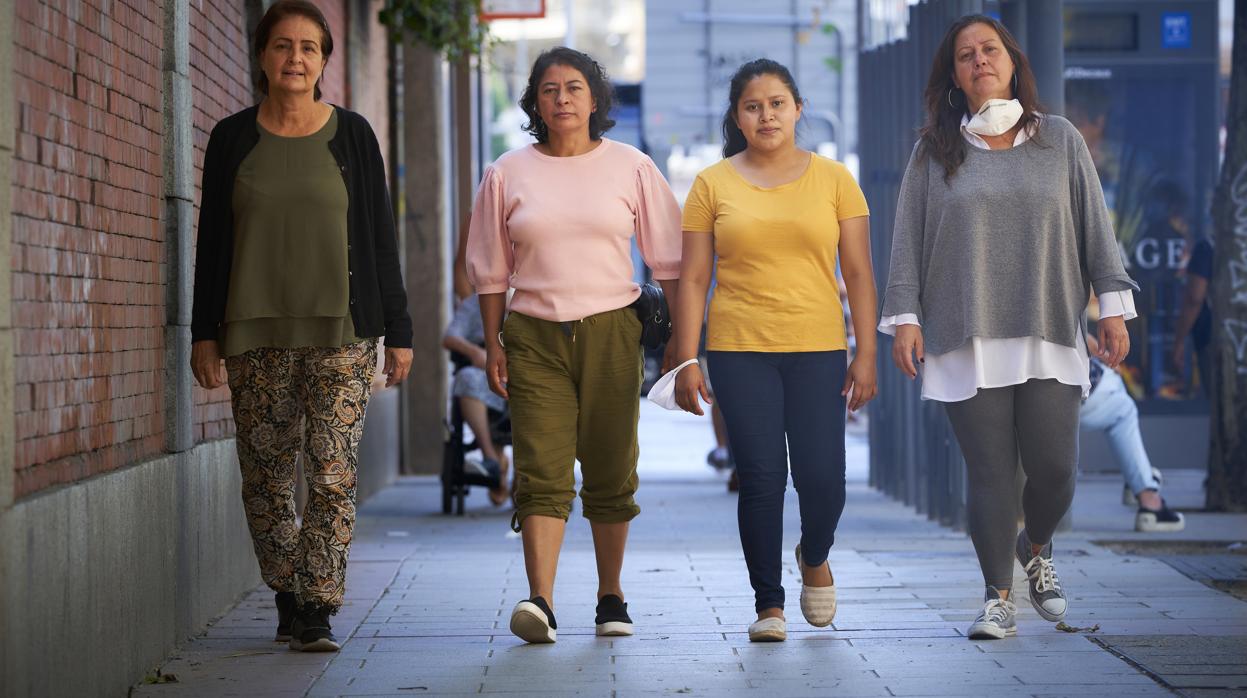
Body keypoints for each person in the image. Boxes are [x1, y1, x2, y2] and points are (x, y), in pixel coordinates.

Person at [879, 15, 1138, 641]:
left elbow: (1094, 228)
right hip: (964, 333)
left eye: (988, 49)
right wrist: (906, 321)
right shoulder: (934, 150)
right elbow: (907, 241)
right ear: (955, 77)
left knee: (1055, 469)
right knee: (991, 472)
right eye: (965, 56)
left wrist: (1112, 305)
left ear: (1012, 60)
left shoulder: (1061, 140)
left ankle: (1036, 545)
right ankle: (997, 597)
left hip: (1048, 325)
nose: (979, 61)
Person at [189, 0, 412, 653]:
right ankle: (286, 586)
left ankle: (316, 605)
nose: (295, 59)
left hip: (342, 332)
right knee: (264, 476)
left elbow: (378, 238)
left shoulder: (352, 136)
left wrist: (397, 330)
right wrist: (203, 332)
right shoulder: (232, 138)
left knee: (333, 473)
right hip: (252, 333)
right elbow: (211, 242)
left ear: (324, 61)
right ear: (262, 57)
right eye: (282, 46)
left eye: (309, 48)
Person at [467, 47, 683, 644]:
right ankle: (541, 599)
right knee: (541, 464)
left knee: (613, 465)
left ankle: (611, 596)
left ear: (595, 99)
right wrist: (493, 343)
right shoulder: (506, 172)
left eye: (574, 88)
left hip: (613, 329)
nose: (562, 99)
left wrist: (682, 346)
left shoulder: (632, 166)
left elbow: (670, 261)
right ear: (535, 102)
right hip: (532, 332)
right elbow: (489, 269)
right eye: (549, 90)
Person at [673, 59, 878, 643]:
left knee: (824, 480)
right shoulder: (713, 184)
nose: (766, 115)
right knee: (761, 477)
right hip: (739, 348)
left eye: (777, 103)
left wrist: (864, 354)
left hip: (818, 348)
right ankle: (769, 604)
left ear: (798, 109)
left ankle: (814, 553)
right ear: (736, 117)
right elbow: (692, 280)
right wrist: (688, 359)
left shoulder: (836, 179)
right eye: (753, 106)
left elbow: (860, 274)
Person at [1082, 335, 1185, 532]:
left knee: (1116, 395)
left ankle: (1139, 477)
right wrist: (1106, 356)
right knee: (1122, 407)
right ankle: (1148, 499)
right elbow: (1074, 328)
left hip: (1017, 389)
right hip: (1059, 388)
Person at [443, 294, 511, 506]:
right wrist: (476, 352)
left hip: (523, 371)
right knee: (466, 377)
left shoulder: (535, 298)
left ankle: (522, 478)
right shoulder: (475, 303)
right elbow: (450, 337)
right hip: (484, 371)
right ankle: (492, 460)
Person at [1172, 236, 1214, 398]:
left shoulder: (1207, 246)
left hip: (1214, 337)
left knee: (1222, 402)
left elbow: (1195, 298)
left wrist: (1179, 341)